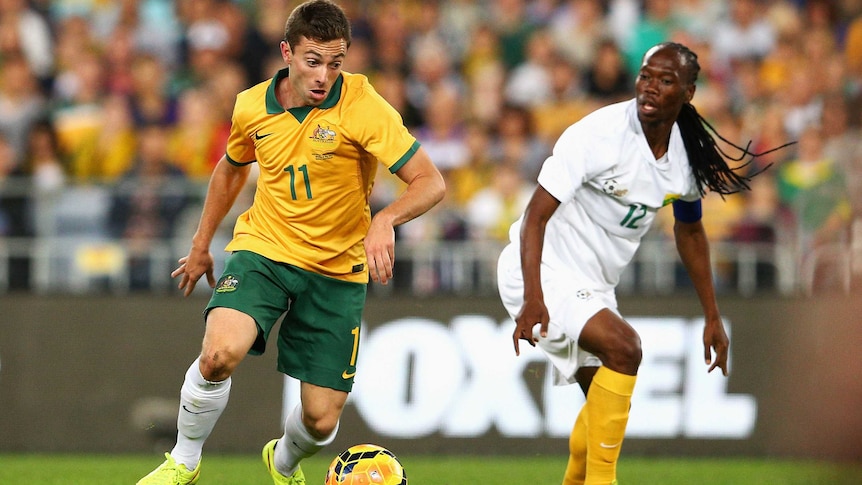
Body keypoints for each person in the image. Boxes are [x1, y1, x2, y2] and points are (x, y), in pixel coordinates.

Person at [137, 1, 445, 484]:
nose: (324, 75)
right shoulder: (251, 105)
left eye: (336, 63)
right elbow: (232, 166)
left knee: (321, 421)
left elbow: (430, 181)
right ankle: (183, 461)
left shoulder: (363, 106)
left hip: (337, 271)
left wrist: (385, 219)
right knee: (219, 355)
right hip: (266, 250)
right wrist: (202, 243)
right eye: (312, 60)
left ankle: (281, 463)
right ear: (287, 51)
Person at [496, 42, 790, 485]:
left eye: (665, 80)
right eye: (645, 76)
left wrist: (712, 315)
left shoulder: (686, 157)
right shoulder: (597, 134)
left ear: (688, 92)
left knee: (600, 409)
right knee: (626, 348)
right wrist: (534, 298)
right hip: (542, 270)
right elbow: (535, 217)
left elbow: (690, 230)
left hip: (593, 285)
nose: (650, 88)